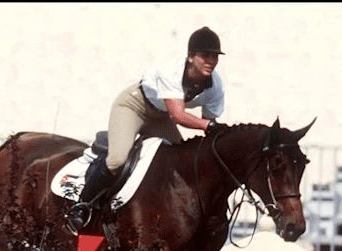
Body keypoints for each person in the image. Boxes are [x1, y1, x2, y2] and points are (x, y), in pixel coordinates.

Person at [68, 26, 227, 231]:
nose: (211, 62)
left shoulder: (216, 85)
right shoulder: (172, 71)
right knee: (117, 159)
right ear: (190, 57)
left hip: (160, 117)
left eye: (215, 57)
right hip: (134, 106)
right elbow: (178, 115)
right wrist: (210, 126)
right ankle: (82, 205)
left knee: (180, 165)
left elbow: (208, 127)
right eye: (205, 55)